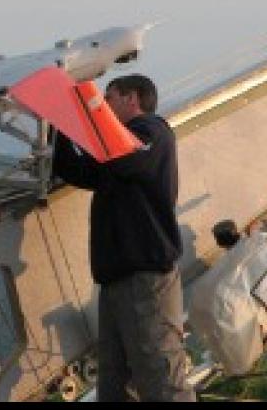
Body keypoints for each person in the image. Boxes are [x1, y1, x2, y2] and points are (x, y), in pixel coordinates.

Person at [52, 74, 195, 402]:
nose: (103, 106)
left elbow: (125, 156)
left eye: (109, 98)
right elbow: (76, 169)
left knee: (160, 374)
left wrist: (79, 109)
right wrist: (58, 124)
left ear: (132, 99)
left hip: (146, 276)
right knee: (116, 382)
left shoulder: (152, 133)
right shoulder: (113, 153)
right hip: (119, 279)